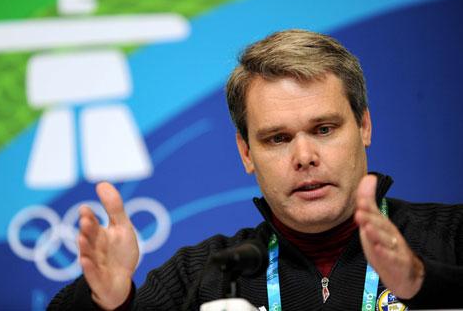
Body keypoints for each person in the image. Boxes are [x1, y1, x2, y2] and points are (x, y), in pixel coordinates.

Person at [48, 29, 463, 310]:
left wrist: (424, 281)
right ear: (246, 152)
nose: (304, 156)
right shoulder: (205, 272)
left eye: (323, 129)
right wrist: (107, 303)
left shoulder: (451, 235)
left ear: (364, 126)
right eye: (277, 138)